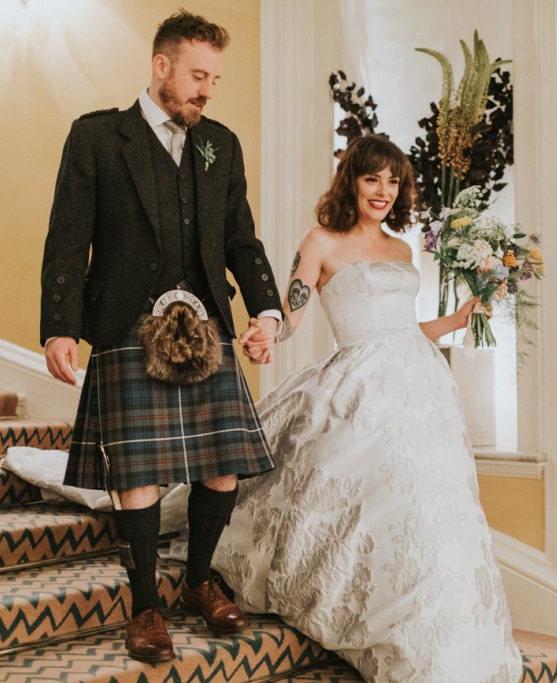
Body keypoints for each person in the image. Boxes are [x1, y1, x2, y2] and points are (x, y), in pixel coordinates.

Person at [161, 134, 524, 682]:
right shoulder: (322, 242)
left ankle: (435, 633)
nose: (383, 191)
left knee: (427, 511)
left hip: (421, 391)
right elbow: (292, 309)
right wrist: (266, 333)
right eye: (372, 178)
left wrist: (454, 321)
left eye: (393, 181)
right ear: (351, 180)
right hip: (358, 388)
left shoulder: (403, 250)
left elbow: (404, 329)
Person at [39, 10, 282, 663]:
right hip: (125, 323)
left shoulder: (219, 144)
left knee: (224, 466)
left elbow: (240, 239)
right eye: (198, 75)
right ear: (161, 66)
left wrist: (268, 312)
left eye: (214, 78)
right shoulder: (96, 138)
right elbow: (68, 241)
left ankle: (199, 580)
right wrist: (60, 327)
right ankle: (146, 604)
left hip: (205, 325)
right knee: (139, 475)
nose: (207, 88)